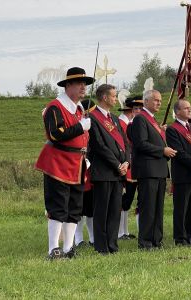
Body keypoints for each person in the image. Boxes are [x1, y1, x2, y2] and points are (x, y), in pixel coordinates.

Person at [35, 67, 93, 259]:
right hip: (58, 162)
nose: (83, 87)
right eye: (79, 83)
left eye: (85, 84)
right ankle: (54, 248)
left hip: (77, 162)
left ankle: (68, 248)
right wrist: (80, 127)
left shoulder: (79, 109)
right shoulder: (55, 107)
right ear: (68, 85)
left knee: (74, 207)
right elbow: (56, 134)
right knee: (58, 205)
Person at [129, 89, 176, 250]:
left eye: (160, 101)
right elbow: (141, 143)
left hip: (159, 169)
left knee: (157, 208)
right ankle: (146, 242)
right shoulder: (140, 119)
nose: (159, 103)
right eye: (155, 100)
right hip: (148, 170)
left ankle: (157, 240)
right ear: (146, 101)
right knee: (148, 207)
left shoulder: (153, 121)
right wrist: (162, 150)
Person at [87, 84, 130, 254]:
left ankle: (112, 244)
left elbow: (125, 143)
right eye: (113, 96)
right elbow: (99, 145)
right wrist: (117, 165)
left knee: (114, 211)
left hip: (119, 172)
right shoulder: (92, 117)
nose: (115, 98)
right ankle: (101, 246)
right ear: (104, 97)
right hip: (104, 171)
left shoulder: (114, 118)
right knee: (102, 211)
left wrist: (126, 162)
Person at [166, 100, 191, 246]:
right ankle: (181, 238)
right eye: (186, 108)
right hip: (183, 174)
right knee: (182, 209)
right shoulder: (172, 129)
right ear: (177, 112)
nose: (190, 110)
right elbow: (179, 153)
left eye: (190, 108)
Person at [118, 96, 143, 240]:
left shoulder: (131, 122)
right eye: (136, 108)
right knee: (124, 200)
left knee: (128, 201)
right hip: (127, 164)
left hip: (135, 165)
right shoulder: (123, 123)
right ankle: (121, 232)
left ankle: (125, 231)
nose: (137, 111)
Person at [75, 100, 97, 248]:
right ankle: (78, 239)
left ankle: (93, 238)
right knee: (78, 209)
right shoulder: (79, 127)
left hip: (91, 173)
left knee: (90, 209)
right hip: (78, 171)